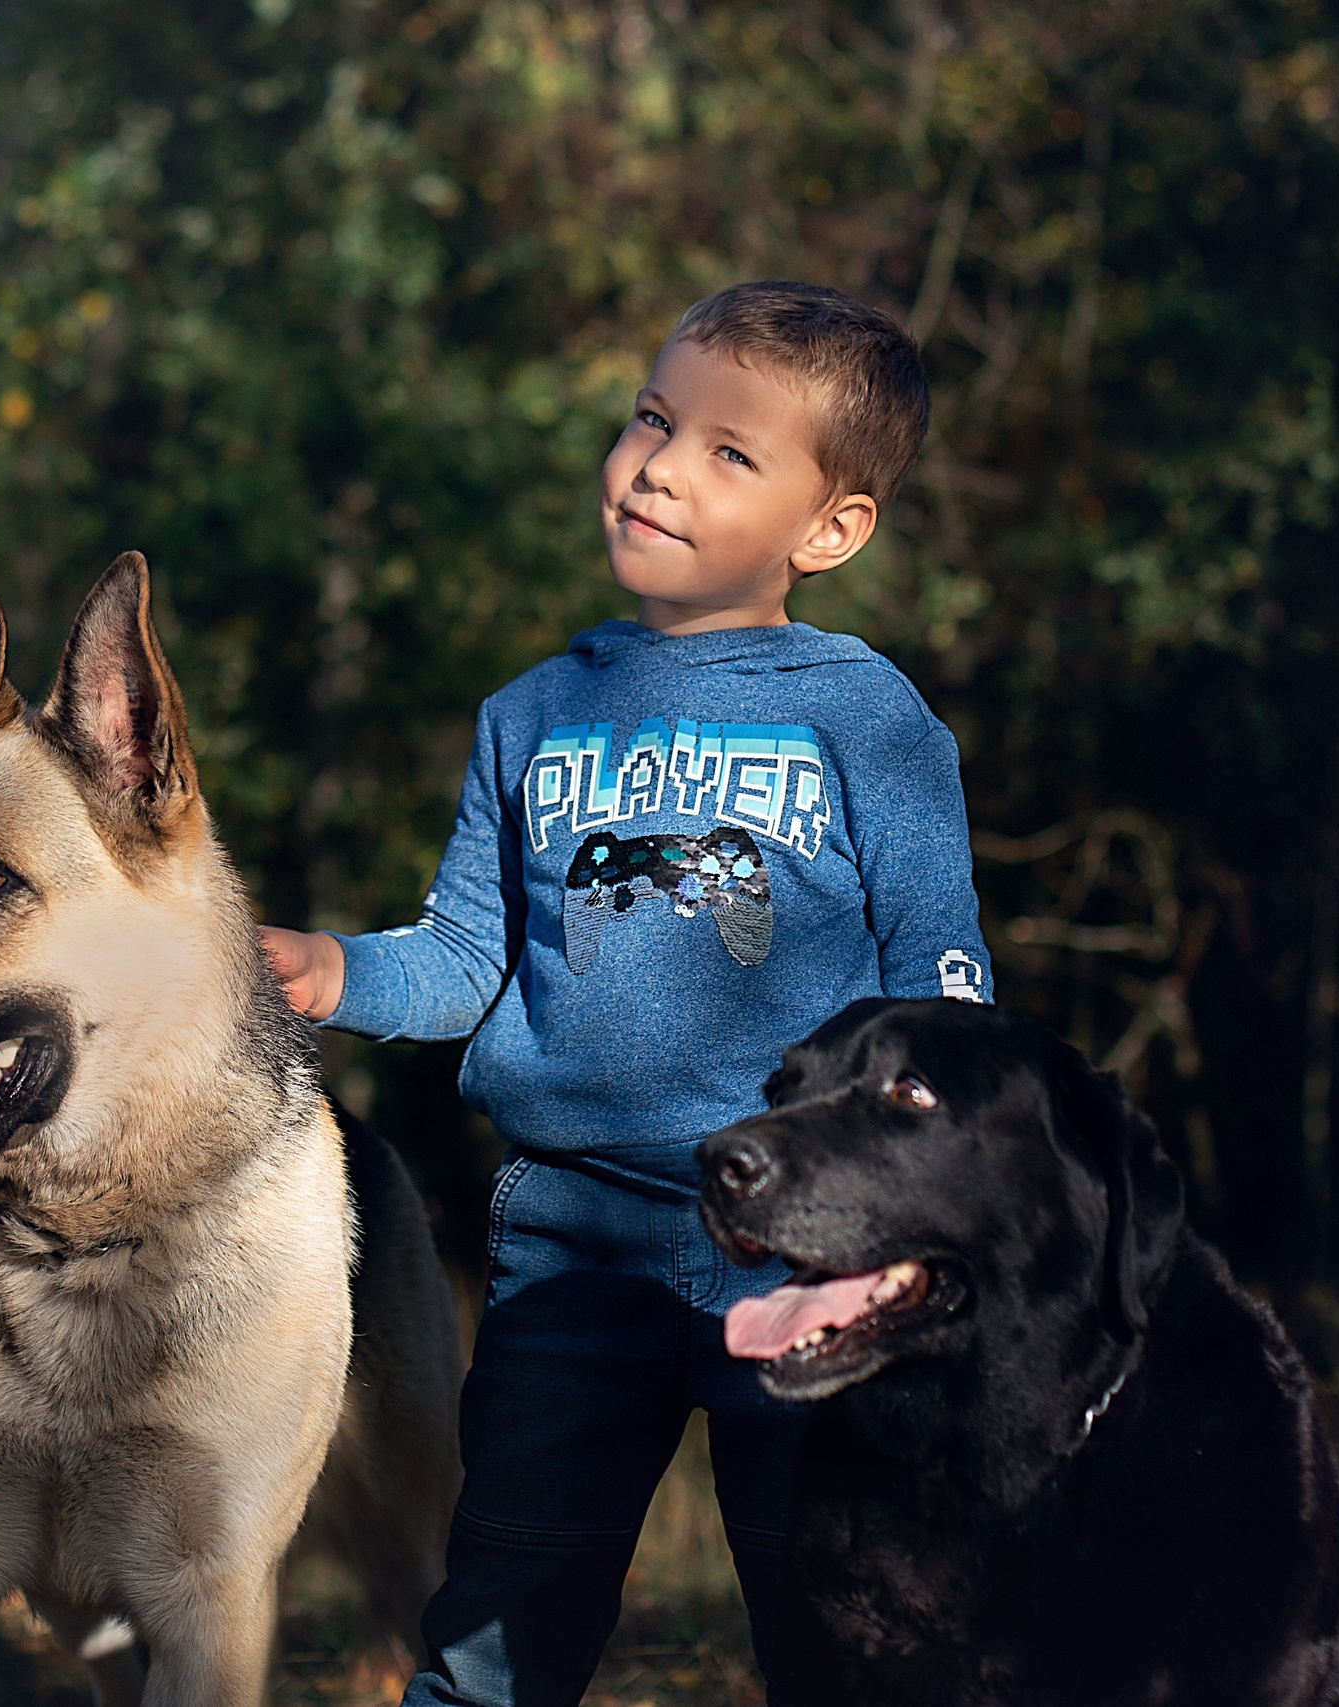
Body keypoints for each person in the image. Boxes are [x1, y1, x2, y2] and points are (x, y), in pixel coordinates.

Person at [260, 280, 992, 1707]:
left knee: (839, 1628)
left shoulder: (870, 720)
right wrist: (339, 969)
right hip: (570, 1248)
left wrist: (927, 1223)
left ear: (830, 530)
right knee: (497, 1632)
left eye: (731, 450)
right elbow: (468, 960)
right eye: (653, 418)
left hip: (807, 1255)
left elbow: (941, 993)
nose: (658, 463)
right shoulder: (531, 716)